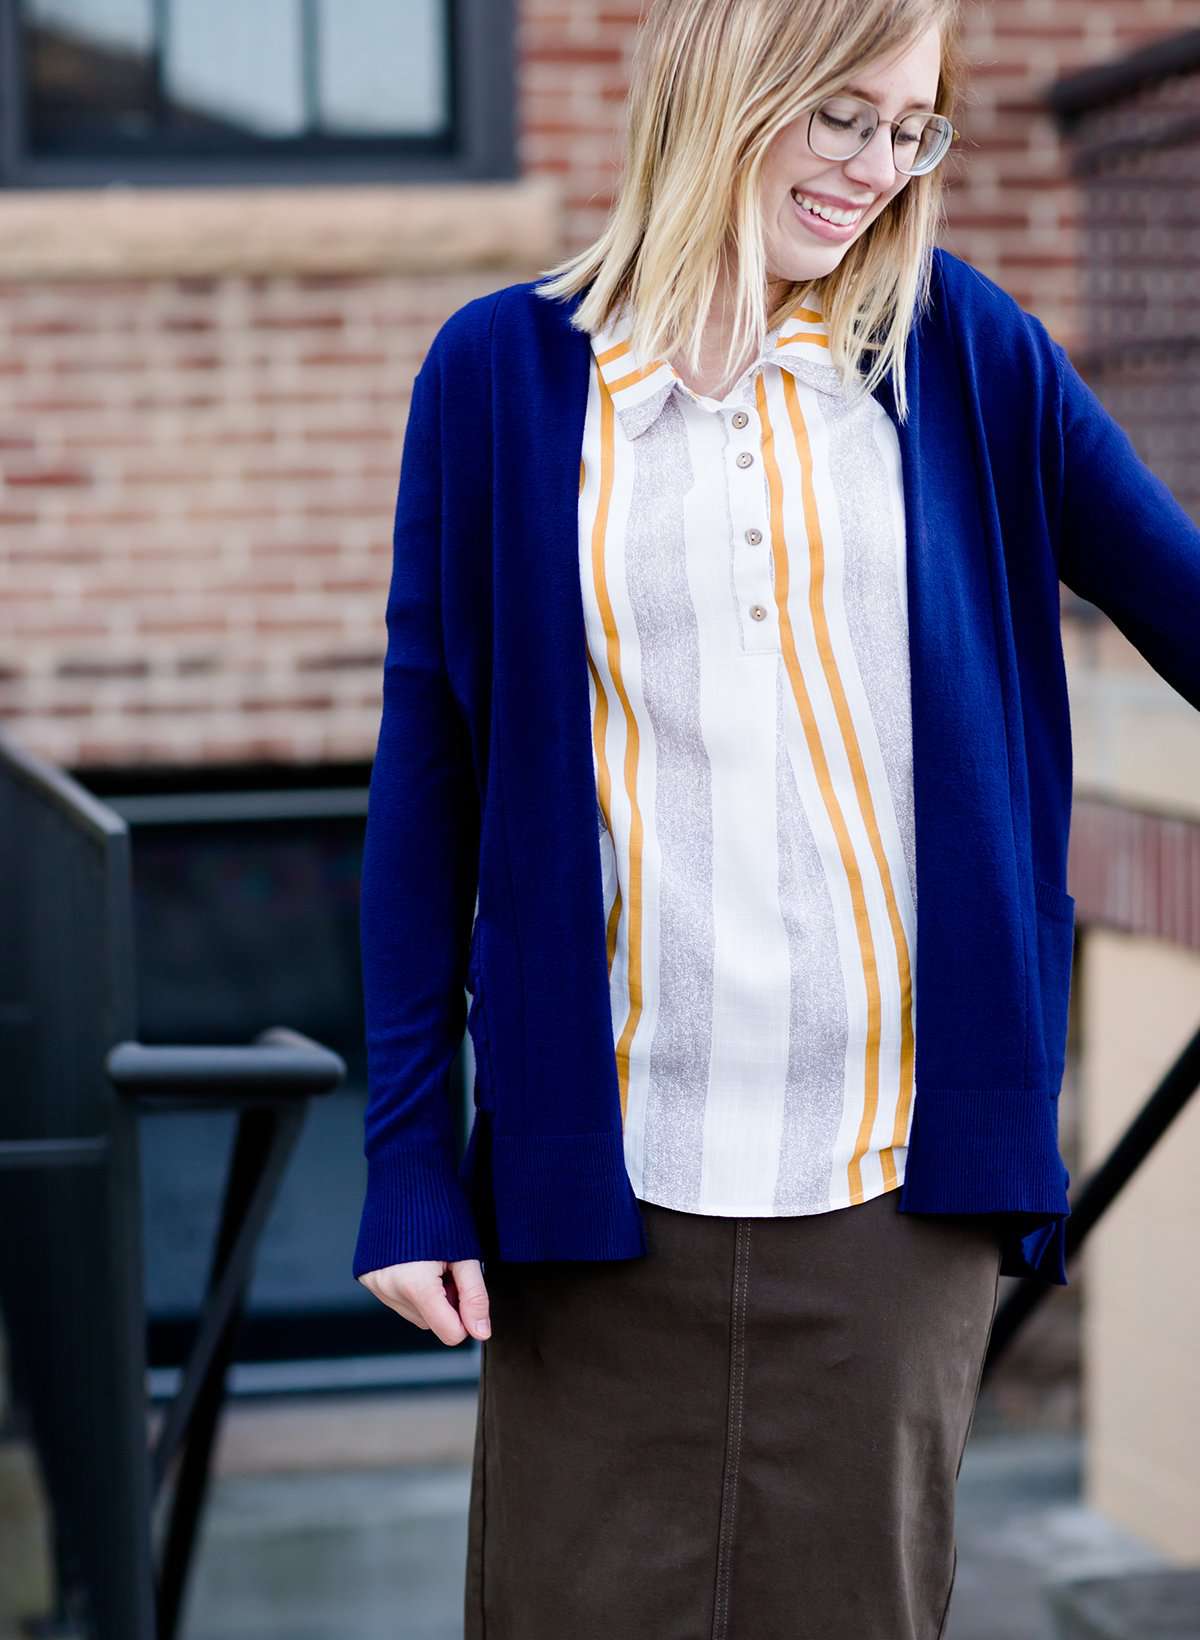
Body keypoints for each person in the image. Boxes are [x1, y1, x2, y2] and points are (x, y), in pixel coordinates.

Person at [352, 0, 1200, 1635]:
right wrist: (404, 1158)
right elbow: (427, 786)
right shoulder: (502, 376)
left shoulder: (965, 351)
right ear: (729, 81)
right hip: (598, 1189)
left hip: (894, 1194)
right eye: (843, 118)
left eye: (913, 127)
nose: (879, 169)